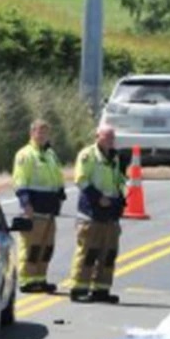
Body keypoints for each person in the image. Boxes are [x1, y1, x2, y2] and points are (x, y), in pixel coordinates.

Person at [66, 125, 126, 304]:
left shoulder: (114, 157)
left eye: (112, 136)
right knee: (88, 253)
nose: (110, 139)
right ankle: (79, 289)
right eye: (106, 136)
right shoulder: (87, 155)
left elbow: (119, 181)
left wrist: (119, 200)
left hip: (110, 214)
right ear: (97, 137)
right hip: (91, 213)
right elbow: (81, 179)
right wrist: (98, 198)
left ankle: (101, 290)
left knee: (108, 254)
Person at [13, 119, 65, 294]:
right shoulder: (25, 154)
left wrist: (60, 194)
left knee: (47, 247)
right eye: (39, 132)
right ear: (32, 133)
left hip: (50, 211)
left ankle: (40, 279)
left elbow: (57, 177)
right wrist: (26, 204)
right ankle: (27, 280)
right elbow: (20, 182)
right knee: (32, 247)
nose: (42, 135)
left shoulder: (50, 154)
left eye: (45, 132)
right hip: (34, 210)